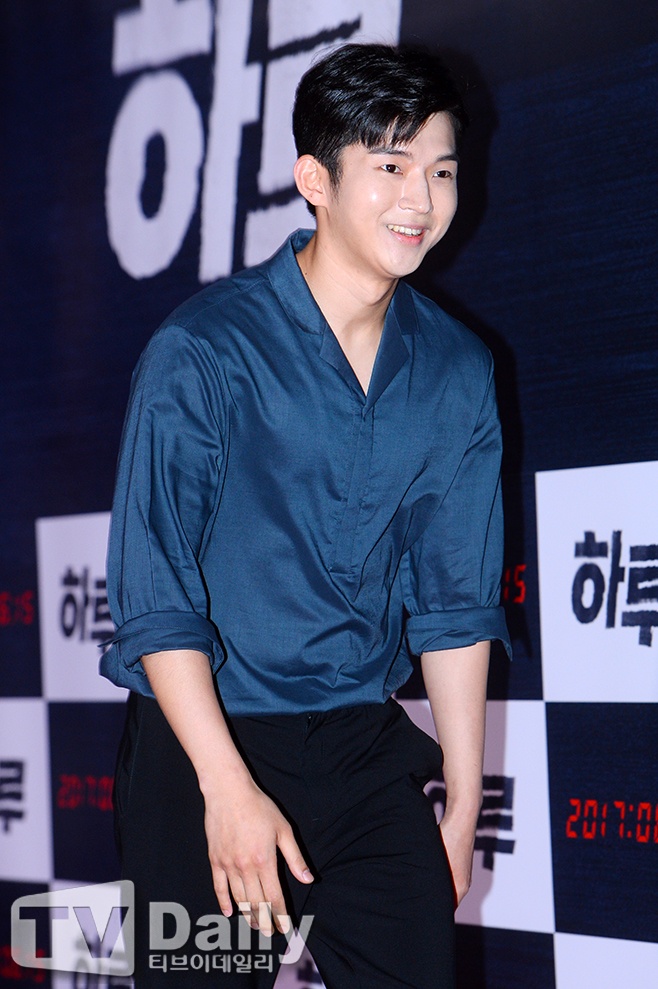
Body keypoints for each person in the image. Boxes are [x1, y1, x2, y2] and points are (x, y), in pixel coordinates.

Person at [103, 43, 510, 989]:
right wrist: (226, 786)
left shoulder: (458, 371)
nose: (421, 199)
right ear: (314, 180)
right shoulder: (203, 350)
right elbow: (155, 596)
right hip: (203, 739)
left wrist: (461, 800)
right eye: (392, 166)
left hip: (360, 744)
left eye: (441, 171)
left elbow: (454, 602)